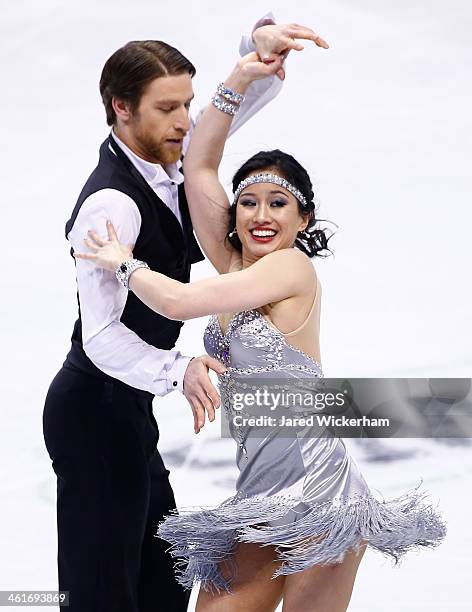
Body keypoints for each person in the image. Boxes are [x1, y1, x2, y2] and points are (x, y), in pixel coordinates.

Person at [75, 52, 447, 612]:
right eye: (247, 202)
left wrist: (124, 265)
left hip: (322, 499)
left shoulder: (289, 268)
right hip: (258, 497)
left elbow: (177, 302)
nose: (259, 214)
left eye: (278, 203)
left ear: (303, 221)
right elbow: (199, 167)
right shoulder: (237, 270)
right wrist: (239, 77)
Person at [43, 14, 328, 612]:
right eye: (166, 108)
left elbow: (212, 141)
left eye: (187, 105)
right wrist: (181, 370)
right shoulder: (110, 203)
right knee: (102, 596)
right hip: (93, 410)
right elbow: (100, 338)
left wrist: (255, 57)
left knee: (164, 587)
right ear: (121, 108)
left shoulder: (172, 159)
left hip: (136, 418)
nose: (182, 122)